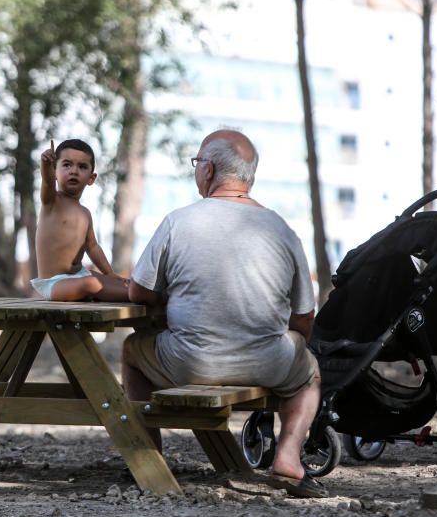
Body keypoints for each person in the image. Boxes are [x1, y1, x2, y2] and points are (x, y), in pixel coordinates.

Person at [122, 129, 326, 498]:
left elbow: (139, 291)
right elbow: (304, 318)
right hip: (268, 363)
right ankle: (289, 458)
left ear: (209, 170)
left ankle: (148, 456)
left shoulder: (178, 222)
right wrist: (285, 347)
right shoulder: (282, 229)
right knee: (308, 372)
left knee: (133, 349)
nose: (196, 170)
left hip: (190, 363)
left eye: (197, 163)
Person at [32, 138, 129, 301]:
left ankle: (138, 293)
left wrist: (109, 273)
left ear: (91, 178)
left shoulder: (85, 214)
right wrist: (45, 164)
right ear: (55, 170)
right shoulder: (51, 202)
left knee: (126, 284)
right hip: (55, 284)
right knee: (90, 284)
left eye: (82, 167)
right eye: (67, 165)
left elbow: (92, 247)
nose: (74, 171)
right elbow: (47, 182)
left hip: (80, 274)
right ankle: (134, 295)